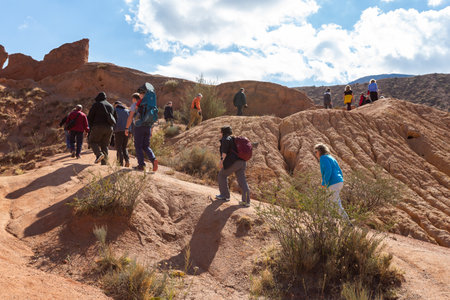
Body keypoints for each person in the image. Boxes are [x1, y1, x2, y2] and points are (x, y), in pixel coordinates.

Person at [314, 143, 351, 224]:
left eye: (316, 151)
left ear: (320, 151)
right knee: (329, 203)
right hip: (339, 181)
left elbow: (328, 170)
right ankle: (331, 222)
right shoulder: (331, 157)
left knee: (336, 204)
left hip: (333, 183)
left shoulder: (323, 158)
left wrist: (324, 183)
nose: (315, 153)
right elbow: (339, 170)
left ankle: (348, 223)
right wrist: (340, 180)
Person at [216, 126, 251, 207]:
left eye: (220, 132)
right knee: (242, 181)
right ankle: (246, 201)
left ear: (223, 132)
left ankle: (224, 196)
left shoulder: (225, 139)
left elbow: (224, 152)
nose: (219, 133)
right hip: (242, 162)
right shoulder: (233, 139)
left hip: (234, 162)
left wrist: (221, 161)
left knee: (222, 175)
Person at [125, 92, 158, 172]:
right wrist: (151, 131)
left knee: (138, 146)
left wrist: (126, 128)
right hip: (148, 127)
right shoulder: (149, 105)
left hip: (139, 127)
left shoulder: (136, 105)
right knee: (146, 146)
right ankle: (153, 160)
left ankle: (141, 165)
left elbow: (130, 117)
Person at [87, 92, 117, 165]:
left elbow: (90, 117)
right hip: (109, 128)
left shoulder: (96, 104)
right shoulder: (111, 106)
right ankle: (105, 163)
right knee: (104, 145)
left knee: (92, 141)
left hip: (98, 126)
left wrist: (90, 128)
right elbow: (115, 118)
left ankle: (99, 154)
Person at [113, 101, 130, 167]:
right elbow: (131, 120)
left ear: (116, 105)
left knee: (118, 146)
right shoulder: (127, 111)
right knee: (124, 146)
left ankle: (120, 163)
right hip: (126, 130)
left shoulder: (115, 110)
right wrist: (130, 131)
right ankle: (127, 160)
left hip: (118, 130)